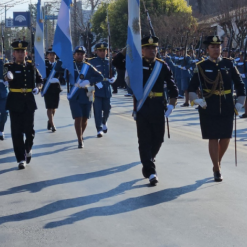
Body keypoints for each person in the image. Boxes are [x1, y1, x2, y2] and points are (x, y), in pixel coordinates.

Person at [114, 36, 178, 185]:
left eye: (154, 48)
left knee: (159, 138)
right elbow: (116, 62)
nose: (152, 50)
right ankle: (150, 171)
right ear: (142, 50)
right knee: (144, 141)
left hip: (157, 106)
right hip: (142, 107)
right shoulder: (135, 64)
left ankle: (148, 159)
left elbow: (172, 85)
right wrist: (127, 49)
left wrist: (172, 104)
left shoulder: (162, 66)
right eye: (148, 48)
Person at [188, 35, 245, 182]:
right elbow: (191, 88)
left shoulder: (229, 64)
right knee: (213, 137)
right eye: (212, 47)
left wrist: (240, 101)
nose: (216, 49)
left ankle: (217, 162)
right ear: (207, 49)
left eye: (218, 46)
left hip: (226, 104)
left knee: (226, 137)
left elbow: (240, 85)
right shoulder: (201, 66)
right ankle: (216, 168)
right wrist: (197, 100)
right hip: (209, 105)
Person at [4, 40, 43, 169]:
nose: (20, 54)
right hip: (15, 101)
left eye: (22, 51)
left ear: (26, 53)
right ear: (14, 53)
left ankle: (28, 148)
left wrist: (38, 87)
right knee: (16, 132)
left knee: (29, 130)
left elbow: (40, 80)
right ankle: (21, 158)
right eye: (18, 52)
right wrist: (7, 77)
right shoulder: (9, 66)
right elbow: (4, 76)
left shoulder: (31, 66)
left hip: (29, 101)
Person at [57, 46, 103, 148]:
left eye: (82, 54)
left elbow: (100, 76)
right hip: (75, 95)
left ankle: (81, 134)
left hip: (88, 94)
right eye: (78, 54)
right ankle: (79, 139)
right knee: (78, 117)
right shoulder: (70, 66)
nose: (80, 55)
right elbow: (61, 73)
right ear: (74, 55)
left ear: (84, 55)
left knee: (85, 118)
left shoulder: (88, 66)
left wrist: (89, 81)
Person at [89, 43, 117, 138]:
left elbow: (114, 72)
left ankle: (104, 121)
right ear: (96, 51)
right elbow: (88, 76)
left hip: (107, 88)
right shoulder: (92, 62)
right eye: (100, 50)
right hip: (96, 89)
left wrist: (114, 78)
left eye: (104, 50)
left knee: (107, 109)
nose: (102, 52)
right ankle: (99, 128)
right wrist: (95, 82)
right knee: (97, 110)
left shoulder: (109, 61)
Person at [43, 48, 64, 133]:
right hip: (47, 88)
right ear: (47, 56)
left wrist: (58, 80)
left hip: (55, 88)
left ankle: (49, 121)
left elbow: (62, 75)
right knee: (49, 107)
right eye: (50, 55)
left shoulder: (58, 64)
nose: (52, 56)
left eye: (53, 55)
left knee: (54, 107)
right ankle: (52, 125)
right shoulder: (44, 64)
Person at [235, 51, 247, 118]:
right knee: (239, 97)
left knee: (246, 99)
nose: (241, 57)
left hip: (246, 82)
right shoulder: (238, 63)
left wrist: (245, 75)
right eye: (240, 56)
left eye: (242, 56)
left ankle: (246, 113)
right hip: (240, 83)